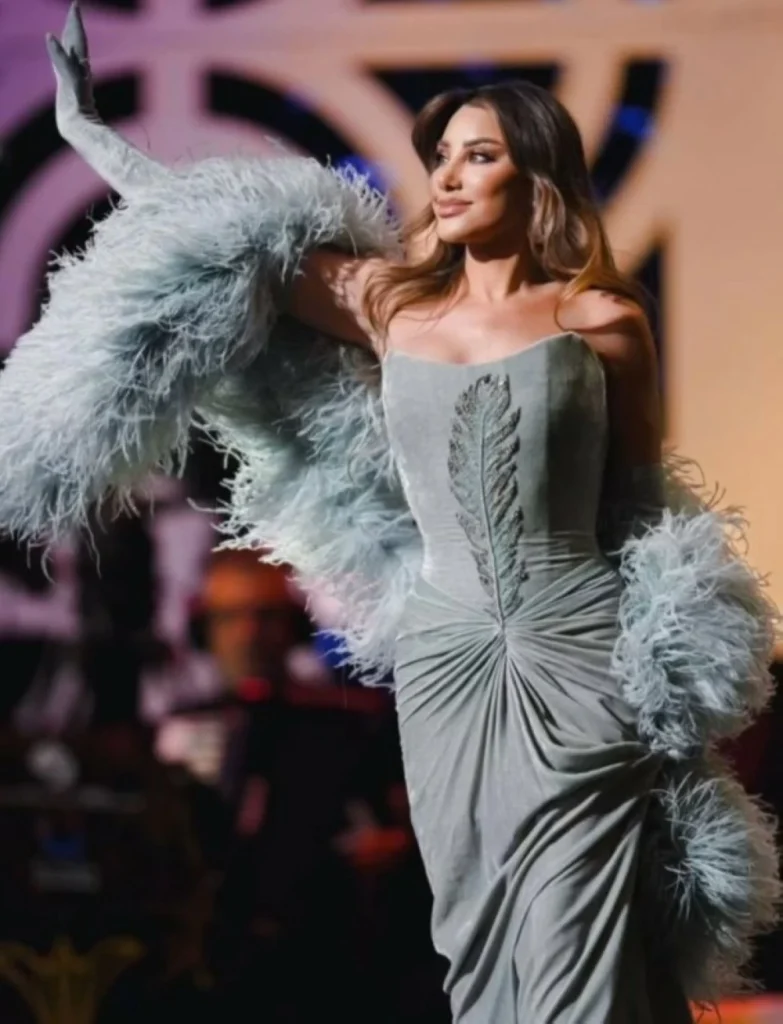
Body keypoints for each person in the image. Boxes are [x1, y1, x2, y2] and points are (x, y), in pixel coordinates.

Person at [0, 4, 780, 1021]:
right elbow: (218, 230)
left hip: (576, 650)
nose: (447, 178)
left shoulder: (603, 319)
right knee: (476, 938)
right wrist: (88, 134)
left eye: (478, 157)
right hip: (444, 656)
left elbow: (638, 504)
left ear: (537, 178)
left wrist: (671, 665)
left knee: (576, 938)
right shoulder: (393, 307)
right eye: (441, 157)